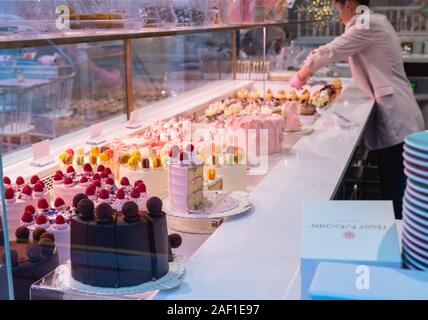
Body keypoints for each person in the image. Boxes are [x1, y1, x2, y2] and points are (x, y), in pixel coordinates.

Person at [289, 0, 425, 219]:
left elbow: (329, 51)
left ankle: (403, 244)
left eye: (337, 9)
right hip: (398, 114)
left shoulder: (365, 23)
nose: (338, 15)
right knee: (393, 187)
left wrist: (299, 77)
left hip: (398, 118)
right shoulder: (372, 21)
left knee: (397, 190)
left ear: (350, 4)